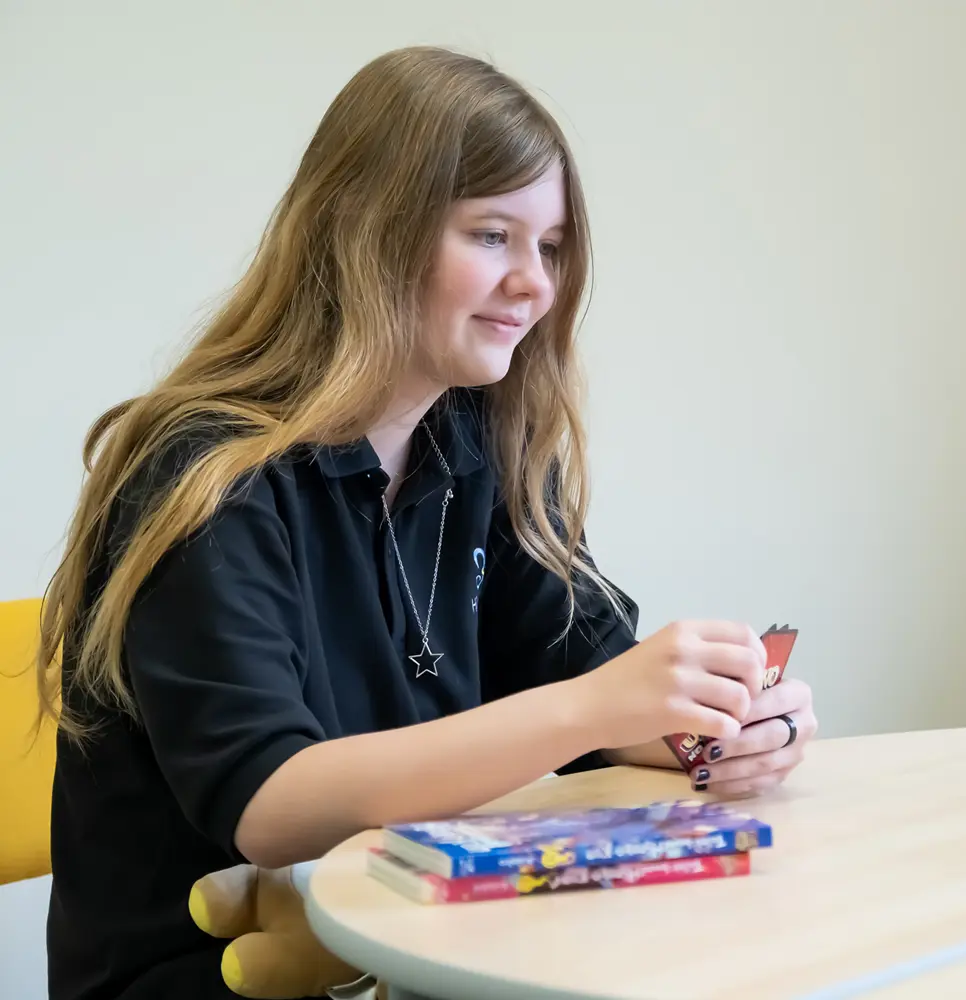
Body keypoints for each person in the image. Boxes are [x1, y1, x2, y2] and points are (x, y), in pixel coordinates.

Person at [36, 45, 818, 1000]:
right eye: (492, 235)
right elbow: (270, 807)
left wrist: (721, 723)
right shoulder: (206, 472)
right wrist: (602, 706)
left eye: (553, 247)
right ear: (368, 232)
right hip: (215, 976)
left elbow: (597, 694)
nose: (535, 284)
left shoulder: (477, 450)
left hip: (410, 947)